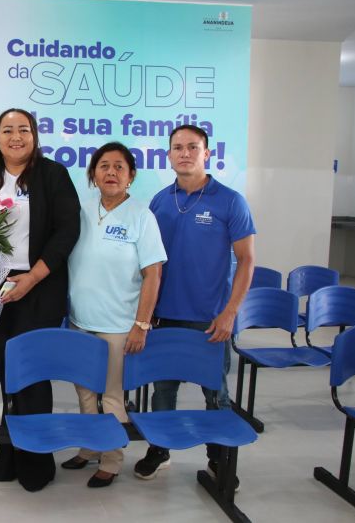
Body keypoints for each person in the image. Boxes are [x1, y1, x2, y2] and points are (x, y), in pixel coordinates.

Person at [0, 108, 80, 492]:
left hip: (39, 287)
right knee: (7, 369)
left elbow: (67, 230)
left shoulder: (53, 175)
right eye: (7, 130)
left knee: (33, 373)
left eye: (23, 130)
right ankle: (10, 447)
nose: (16, 136)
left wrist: (32, 278)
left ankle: (36, 454)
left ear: (34, 136)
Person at [134, 124, 255, 488]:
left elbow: (247, 261)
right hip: (164, 317)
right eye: (177, 147)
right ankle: (160, 449)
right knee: (162, 391)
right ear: (168, 155)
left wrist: (230, 311)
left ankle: (217, 458)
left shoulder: (230, 200)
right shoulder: (159, 201)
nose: (184, 153)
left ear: (206, 153)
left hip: (210, 319)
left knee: (216, 394)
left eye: (192, 147)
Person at [60, 142, 166, 488]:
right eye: (104, 166)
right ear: (93, 174)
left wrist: (141, 324)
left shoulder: (141, 216)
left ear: (131, 176)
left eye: (119, 167)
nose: (111, 173)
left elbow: (153, 273)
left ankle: (112, 458)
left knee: (111, 397)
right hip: (80, 320)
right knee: (85, 394)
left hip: (118, 326)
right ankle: (91, 446)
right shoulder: (83, 211)